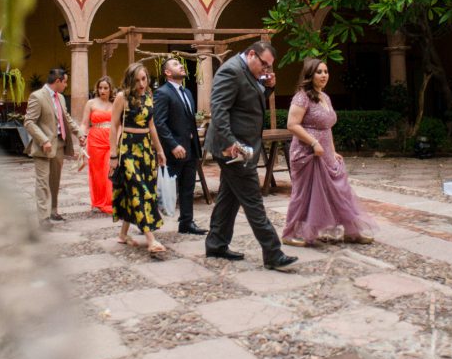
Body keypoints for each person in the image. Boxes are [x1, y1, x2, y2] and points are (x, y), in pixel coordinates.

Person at [203, 41, 298, 270]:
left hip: (243, 146)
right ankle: (273, 253)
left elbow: (248, 103)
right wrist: (230, 144)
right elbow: (219, 110)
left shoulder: (249, 72)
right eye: (264, 65)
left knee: (229, 197)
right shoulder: (231, 70)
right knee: (253, 200)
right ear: (252, 54)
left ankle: (216, 243)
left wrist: (269, 88)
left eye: (269, 67)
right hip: (234, 150)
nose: (265, 70)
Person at [282, 58, 377, 247]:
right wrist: (314, 142)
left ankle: (352, 231)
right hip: (306, 153)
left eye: (326, 72)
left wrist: (332, 151)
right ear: (310, 75)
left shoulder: (325, 97)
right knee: (304, 195)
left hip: (324, 152)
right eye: (319, 72)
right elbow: (292, 125)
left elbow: (327, 128)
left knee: (339, 191)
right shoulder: (302, 97)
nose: (324, 75)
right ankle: (289, 233)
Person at [110, 62, 168, 255]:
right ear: (129, 81)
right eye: (136, 80)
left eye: (144, 79)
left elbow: (151, 126)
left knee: (139, 189)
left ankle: (123, 234)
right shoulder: (122, 97)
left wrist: (159, 150)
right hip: (127, 148)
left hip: (145, 148)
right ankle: (151, 239)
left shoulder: (149, 97)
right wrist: (113, 155)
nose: (141, 84)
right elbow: (113, 126)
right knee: (139, 190)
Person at [153, 56, 206, 235]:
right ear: (167, 72)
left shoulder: (188, 92)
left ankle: (186, 222)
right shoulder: (162, 93)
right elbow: (159, 123)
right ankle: (147, 222)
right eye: (176, 64)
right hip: (172, 150)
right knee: (162, 187)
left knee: (188, 187)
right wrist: (173, 145)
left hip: (190, 148)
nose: (181, 66)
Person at [24, 68, 83, 223]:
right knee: (43, 182)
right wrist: (44, 140)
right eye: (65, 82)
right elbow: (29, 122)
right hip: (43, 146)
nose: (66, 85)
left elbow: (67, 118)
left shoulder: (61, 98)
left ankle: (53, 211)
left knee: (54, 181)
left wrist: (79, 133)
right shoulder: (37, 96)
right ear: (58, 81)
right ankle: (43, 218)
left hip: (59, 144)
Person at [80, 76, 115, 214]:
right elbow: (84, 123)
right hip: (95, 140)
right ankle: (97, 201)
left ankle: (109, 201)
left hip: (110, 139)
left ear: (110, 89)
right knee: (96, 171)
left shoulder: (115, 103)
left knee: (109, 169)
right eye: (100, 88)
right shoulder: (91, 103)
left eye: (106, 88)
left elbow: (119, 124)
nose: (102, 91)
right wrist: (82, 135)